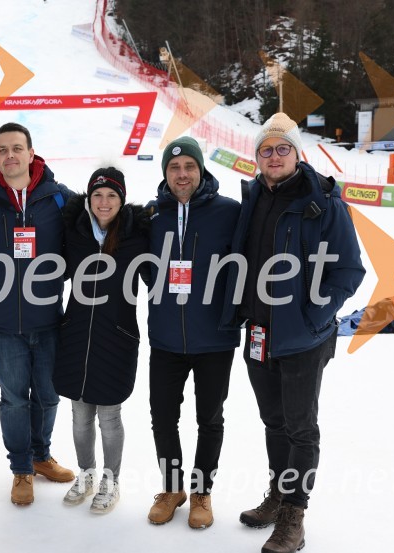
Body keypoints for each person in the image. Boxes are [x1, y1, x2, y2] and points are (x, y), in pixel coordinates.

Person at [220, 112, 365, 553]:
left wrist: (314, 317)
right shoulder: (253, 198)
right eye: (266, 149)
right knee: (274, 422)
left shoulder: (324, 202)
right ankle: (279, 495)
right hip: (259, 332)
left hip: (303, 338)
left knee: (301, 428)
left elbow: (349, 271)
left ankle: (293, 517)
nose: (274, 156)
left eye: (283, 148)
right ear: (257, 158)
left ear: (297, 154)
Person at [0, 122, 75, 506]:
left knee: (48, 395)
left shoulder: (58, 198)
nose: (9, 155)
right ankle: (21, 468)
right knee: (14, 398)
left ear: (31, 153)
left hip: (48, 318)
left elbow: (85, 237)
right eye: (2, 150)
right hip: (1, 322)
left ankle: (41, 456)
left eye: (16, 148)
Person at [145, 137, 241, 528]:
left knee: (210, 419)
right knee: (162, 417)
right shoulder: (152, 215)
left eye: (189, 166)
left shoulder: (229, 212)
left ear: (201, 170)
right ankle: (172, 488)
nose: (181, 174)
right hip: (166, 336)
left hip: (214, 337)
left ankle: (201, 492)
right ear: (165, 173)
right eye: (174, 167)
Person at [53, 167, 150, 514]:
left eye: (111, 195)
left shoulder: (136, 237)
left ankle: (111, 480)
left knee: (109, 416)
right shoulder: (75, 232)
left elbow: (158, 276)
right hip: (76, 335)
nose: (104, 202)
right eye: (97, 195)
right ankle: (86, 473)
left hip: (116, 337)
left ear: (122, 200)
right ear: (88, 199)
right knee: (80, 415)